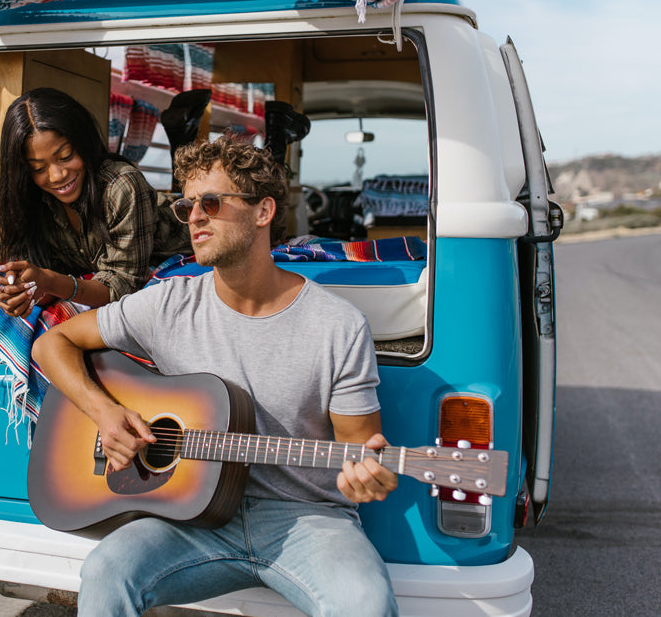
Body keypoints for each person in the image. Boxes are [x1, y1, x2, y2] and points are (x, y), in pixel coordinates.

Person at [32, 135, 399, 616]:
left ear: (263, 211)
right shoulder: (168, 303)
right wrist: (106, 413)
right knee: (106, 571)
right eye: (187, 206)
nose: (195, 217)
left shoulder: (338, 326)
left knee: (366, 604)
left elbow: (360, 450)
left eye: (211, 202)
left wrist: (365, 479)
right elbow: (51, 343)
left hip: (308, 518)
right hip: (188, 514)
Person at [0, 87, 188, 318]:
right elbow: (46, 273)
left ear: (83, 142)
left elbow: (123, 285)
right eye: (38, 168)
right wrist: (23, 290)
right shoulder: (31, 199)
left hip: (174, 246)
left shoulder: (122, 186)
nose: (56, 176)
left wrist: (51, 281)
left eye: (65, 157)